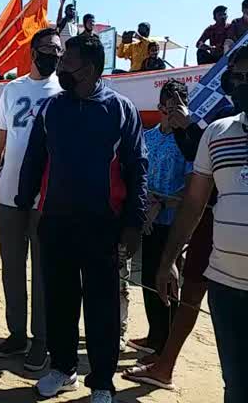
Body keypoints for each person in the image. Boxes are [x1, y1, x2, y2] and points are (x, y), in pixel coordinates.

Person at [17, 34, 148, 402]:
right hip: (56, 220)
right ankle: (62, 368)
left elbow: (138, 168)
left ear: (88, 70)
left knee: (101, 305)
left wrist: (134, 222)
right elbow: (34, 158)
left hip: (101, 225)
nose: (59, 69)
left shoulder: (120, 110)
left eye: (66, 64)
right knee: (58, 298)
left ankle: (102, 381)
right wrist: (23, 199)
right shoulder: (53, 108)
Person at [153, 45, 248, 403]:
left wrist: (189, 122)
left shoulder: (205, 122)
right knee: (236, 384)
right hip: (225, 283)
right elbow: (194, 202)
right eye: (237, 77)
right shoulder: (219, 131)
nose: (243, 84)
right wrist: (168, 261)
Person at [0, 27, 63, 371]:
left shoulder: (64, 92)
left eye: (58, 51)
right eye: (47, 49)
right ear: (33, 51)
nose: (54, 55)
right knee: (12, 268)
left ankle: (41, 340)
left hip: (47, 199)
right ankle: (16, 333)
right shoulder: (11, 91)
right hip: (9, 194)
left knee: (43, 271)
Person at [123, 80, 191, 363]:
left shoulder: (189, 143)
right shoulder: (148, 137)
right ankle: (154, 335)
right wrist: (145, 204)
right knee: (149, 278)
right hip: (147, 220)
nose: (168, 112)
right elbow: (137, 175)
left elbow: (191, 187)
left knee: (169, 281)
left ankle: (165, 346)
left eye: (175, 107)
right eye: (165, 106)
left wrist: (161, 202)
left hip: (173, 223)